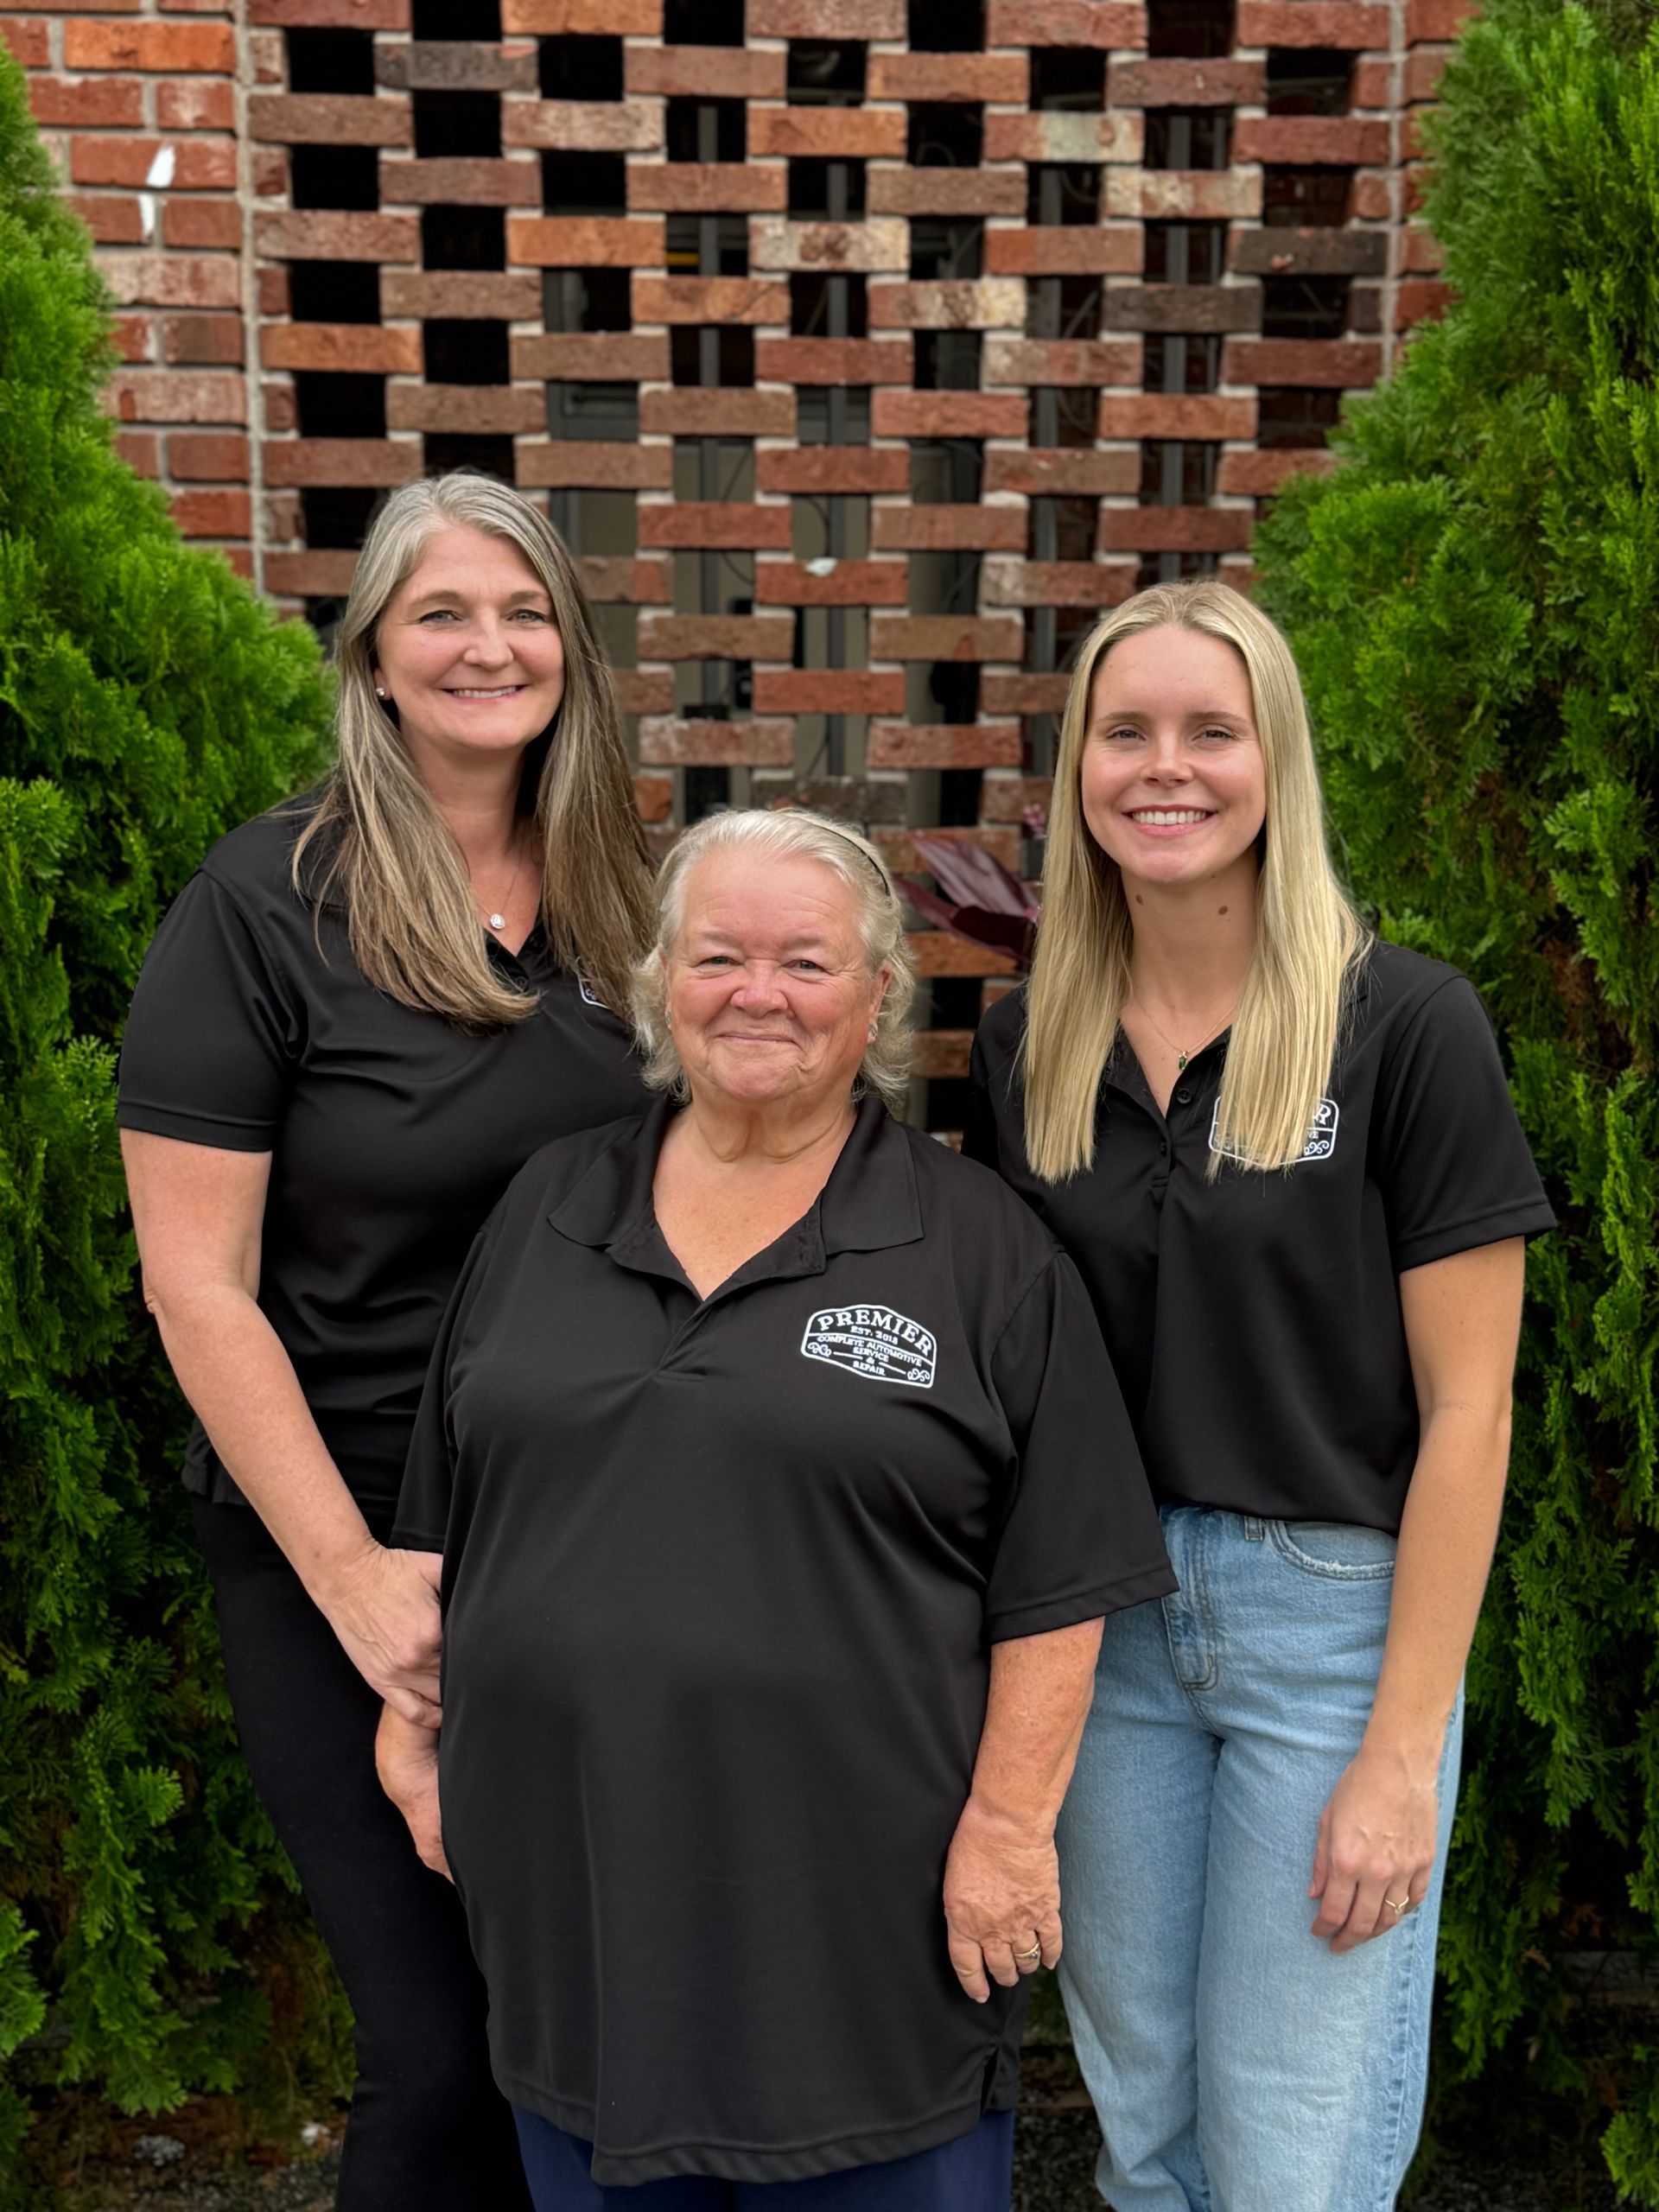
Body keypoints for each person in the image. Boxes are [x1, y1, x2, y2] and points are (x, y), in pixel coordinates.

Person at [375, 807, 1174, 2211]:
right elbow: (452, 1513)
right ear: (658, 987)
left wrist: (1006, 1831)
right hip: (582, 1932)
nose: (758, 993)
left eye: (806, 962)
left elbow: (1060, 1579)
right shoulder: (549, 1208)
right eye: (718, 956)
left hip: (861, 1958)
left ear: (878, 998)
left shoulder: (979, 1252)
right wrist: (414, 1722)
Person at [963, 580, 1557, 2212]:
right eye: (1126, 731)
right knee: (1147, 2135)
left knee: (1294, 2162)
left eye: (1212, 732)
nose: (1169, 768)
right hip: (1105, 1627)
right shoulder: (1027, 1047)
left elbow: (1471, 1416)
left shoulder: (1404, 1025)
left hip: (1330, 1634)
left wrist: (1400, 1754)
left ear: (1276, 765)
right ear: (1077, 768)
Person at [118, 474, 655, 2210]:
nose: (486, 645)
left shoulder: (620, 899)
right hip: (340, 1536)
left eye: (521, 610)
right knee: (438, 2048)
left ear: (570, 648)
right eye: (442, 611)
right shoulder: (268, 899)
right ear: (373, 656)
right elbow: (196, 1281)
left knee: (582, 2028)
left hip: (586, 1533)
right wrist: (351, 1572)